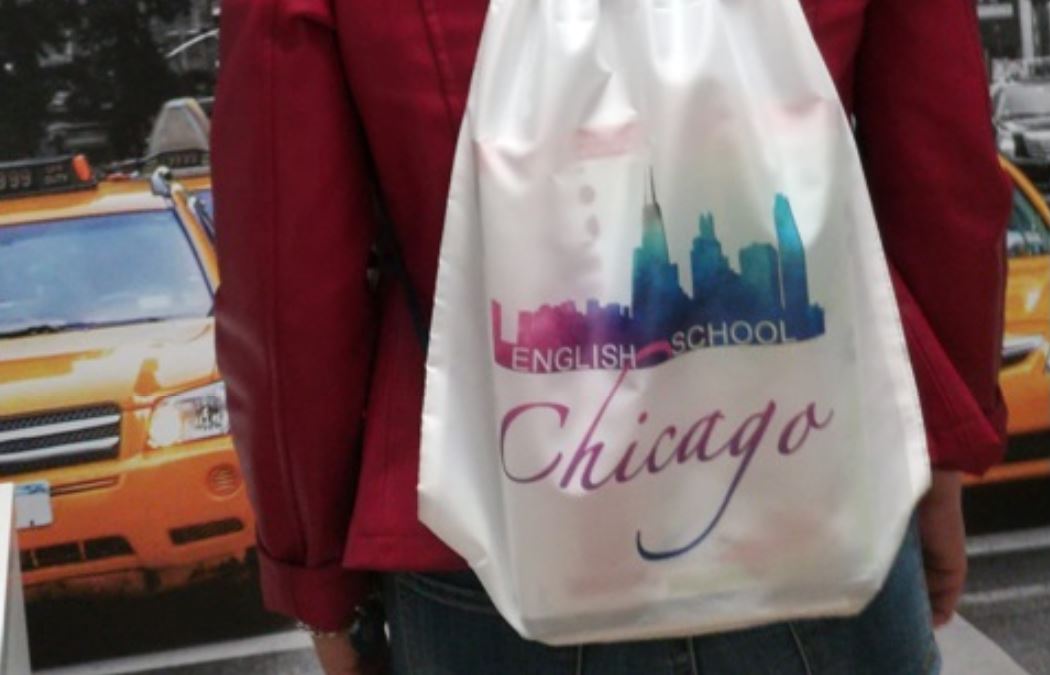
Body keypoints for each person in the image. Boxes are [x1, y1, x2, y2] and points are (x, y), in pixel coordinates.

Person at [210, 0, 1012, 673]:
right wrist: (941, 448)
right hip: (821, 504)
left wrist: (319, 582)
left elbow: (287, 267)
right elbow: (944, 167)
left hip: (485, 545)